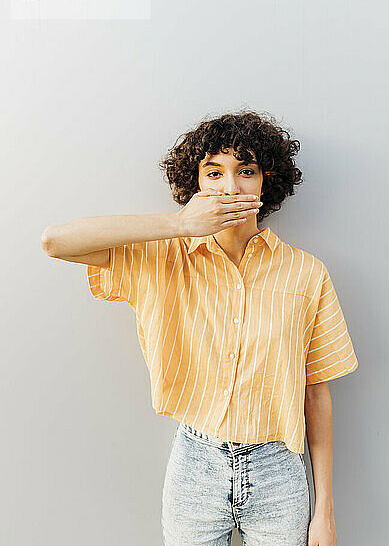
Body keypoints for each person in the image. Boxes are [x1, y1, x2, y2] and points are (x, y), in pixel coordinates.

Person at [41, 110, 358, 546]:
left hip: (279, 473)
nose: (230, 187)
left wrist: (324, 512)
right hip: (196, 465)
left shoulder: (306, 274)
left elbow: (316, 393)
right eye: (214, 173)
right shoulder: (165, 258)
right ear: (196, 184)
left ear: (267, 182)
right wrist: (179, 224)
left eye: (246, 171)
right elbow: (55, 242)